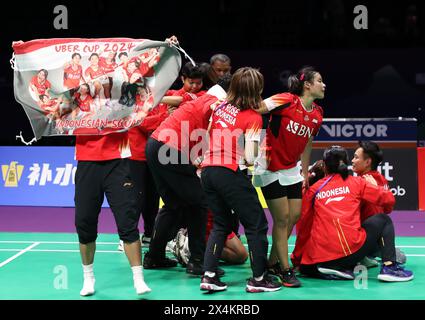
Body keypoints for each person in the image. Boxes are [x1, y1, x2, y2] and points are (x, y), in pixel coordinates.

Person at [200, 67, 281, 293]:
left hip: (208, 171)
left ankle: (209, 275)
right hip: (230, 172)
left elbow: (207, 135)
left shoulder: (220, 107)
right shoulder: (253, 118)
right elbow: (250, 156)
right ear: (257, 90)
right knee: (256, 225)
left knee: (220, 223)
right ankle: (259, 278)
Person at [143, 76, 230, 276]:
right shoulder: (217, 103)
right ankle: (198, 261)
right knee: (199, 203)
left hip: (155, 144)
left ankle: (154, 256)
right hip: (169, 148)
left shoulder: (207, 97)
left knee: (174, 205)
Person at [291, 146, 414, 282]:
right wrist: (376, 187)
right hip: (350, 252)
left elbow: (304, 227)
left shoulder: (314, 190)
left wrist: (297, 260)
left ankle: (334, 266)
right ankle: (389, 267)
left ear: (325, 166)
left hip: (321, 256)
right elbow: (389, 200)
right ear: (346, 163)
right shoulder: (358, 182)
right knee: (383, 220)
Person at [253, 66, 325, 287]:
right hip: (269, 166)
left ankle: (273, 261)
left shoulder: (317, 114)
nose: (324, 85)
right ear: (307, 85)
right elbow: (257, 108)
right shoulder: (286, 100)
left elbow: (308, 142)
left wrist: (304, 171)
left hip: (291, 169)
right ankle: (285, 269)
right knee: (282, 219)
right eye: (320, 81)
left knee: (294, 216)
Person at [352, 140, 407, 266]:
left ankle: (364, 255)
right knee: (399, 257)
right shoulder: (380, 179)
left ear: (367, 162)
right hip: (368, 236)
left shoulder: (359, 183)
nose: (352, 161)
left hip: (367, 236)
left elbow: (387, 208)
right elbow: (388, 209)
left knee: (400, 257)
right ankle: (365, 255)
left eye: (356, 157)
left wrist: (374, 191)